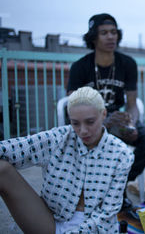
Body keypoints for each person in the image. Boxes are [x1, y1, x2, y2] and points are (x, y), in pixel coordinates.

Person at [0, 86, 134, 233]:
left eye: (90, 122)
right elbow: (12, 149)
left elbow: (106, 214)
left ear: (103, 114)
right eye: (75, 123)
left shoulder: (121, 154)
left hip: (96, 230)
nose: (83, 130)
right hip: (50, 222)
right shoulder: (59, 137)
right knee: (2, 169)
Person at [67, 13, 145, 193]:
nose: (111, 37)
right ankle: (100, 188)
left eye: (114, 32)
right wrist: (100, 122)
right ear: (93, 37)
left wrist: (130, 124)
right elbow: (73, 104)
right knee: (109, 137)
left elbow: (132, 103)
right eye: (104, 33)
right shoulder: (80, 66)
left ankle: (120, 183)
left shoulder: (127, 64)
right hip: (89, 121)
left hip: (116, 118)